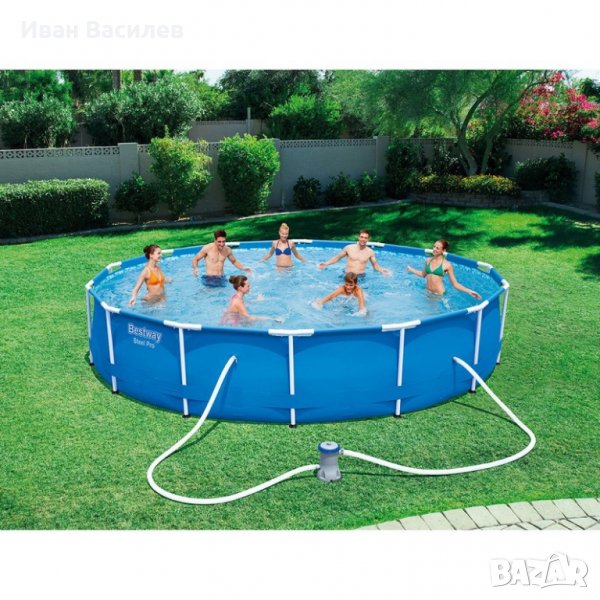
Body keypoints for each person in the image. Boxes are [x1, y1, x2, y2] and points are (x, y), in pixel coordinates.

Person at [406, 239, 482, 299]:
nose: (434, 249)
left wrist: (469, 291)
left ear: (443, 250)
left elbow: (455, 284)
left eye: (437, 248)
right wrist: (411, 269)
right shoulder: (428, 260)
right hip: (427, 292)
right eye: (434, 247)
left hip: (438, 295)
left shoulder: (447, 265)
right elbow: (423, 274)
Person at [319, 229, 390, 276]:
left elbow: (375, 265)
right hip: (347, 275)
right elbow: (337, 258)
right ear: (358, 237)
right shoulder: (349, 248)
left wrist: (382, 271)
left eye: (365, 238)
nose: (363, 239)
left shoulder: (370, 252)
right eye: (361, 237)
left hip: (361, 277)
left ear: (368, 239)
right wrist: (325, 264)